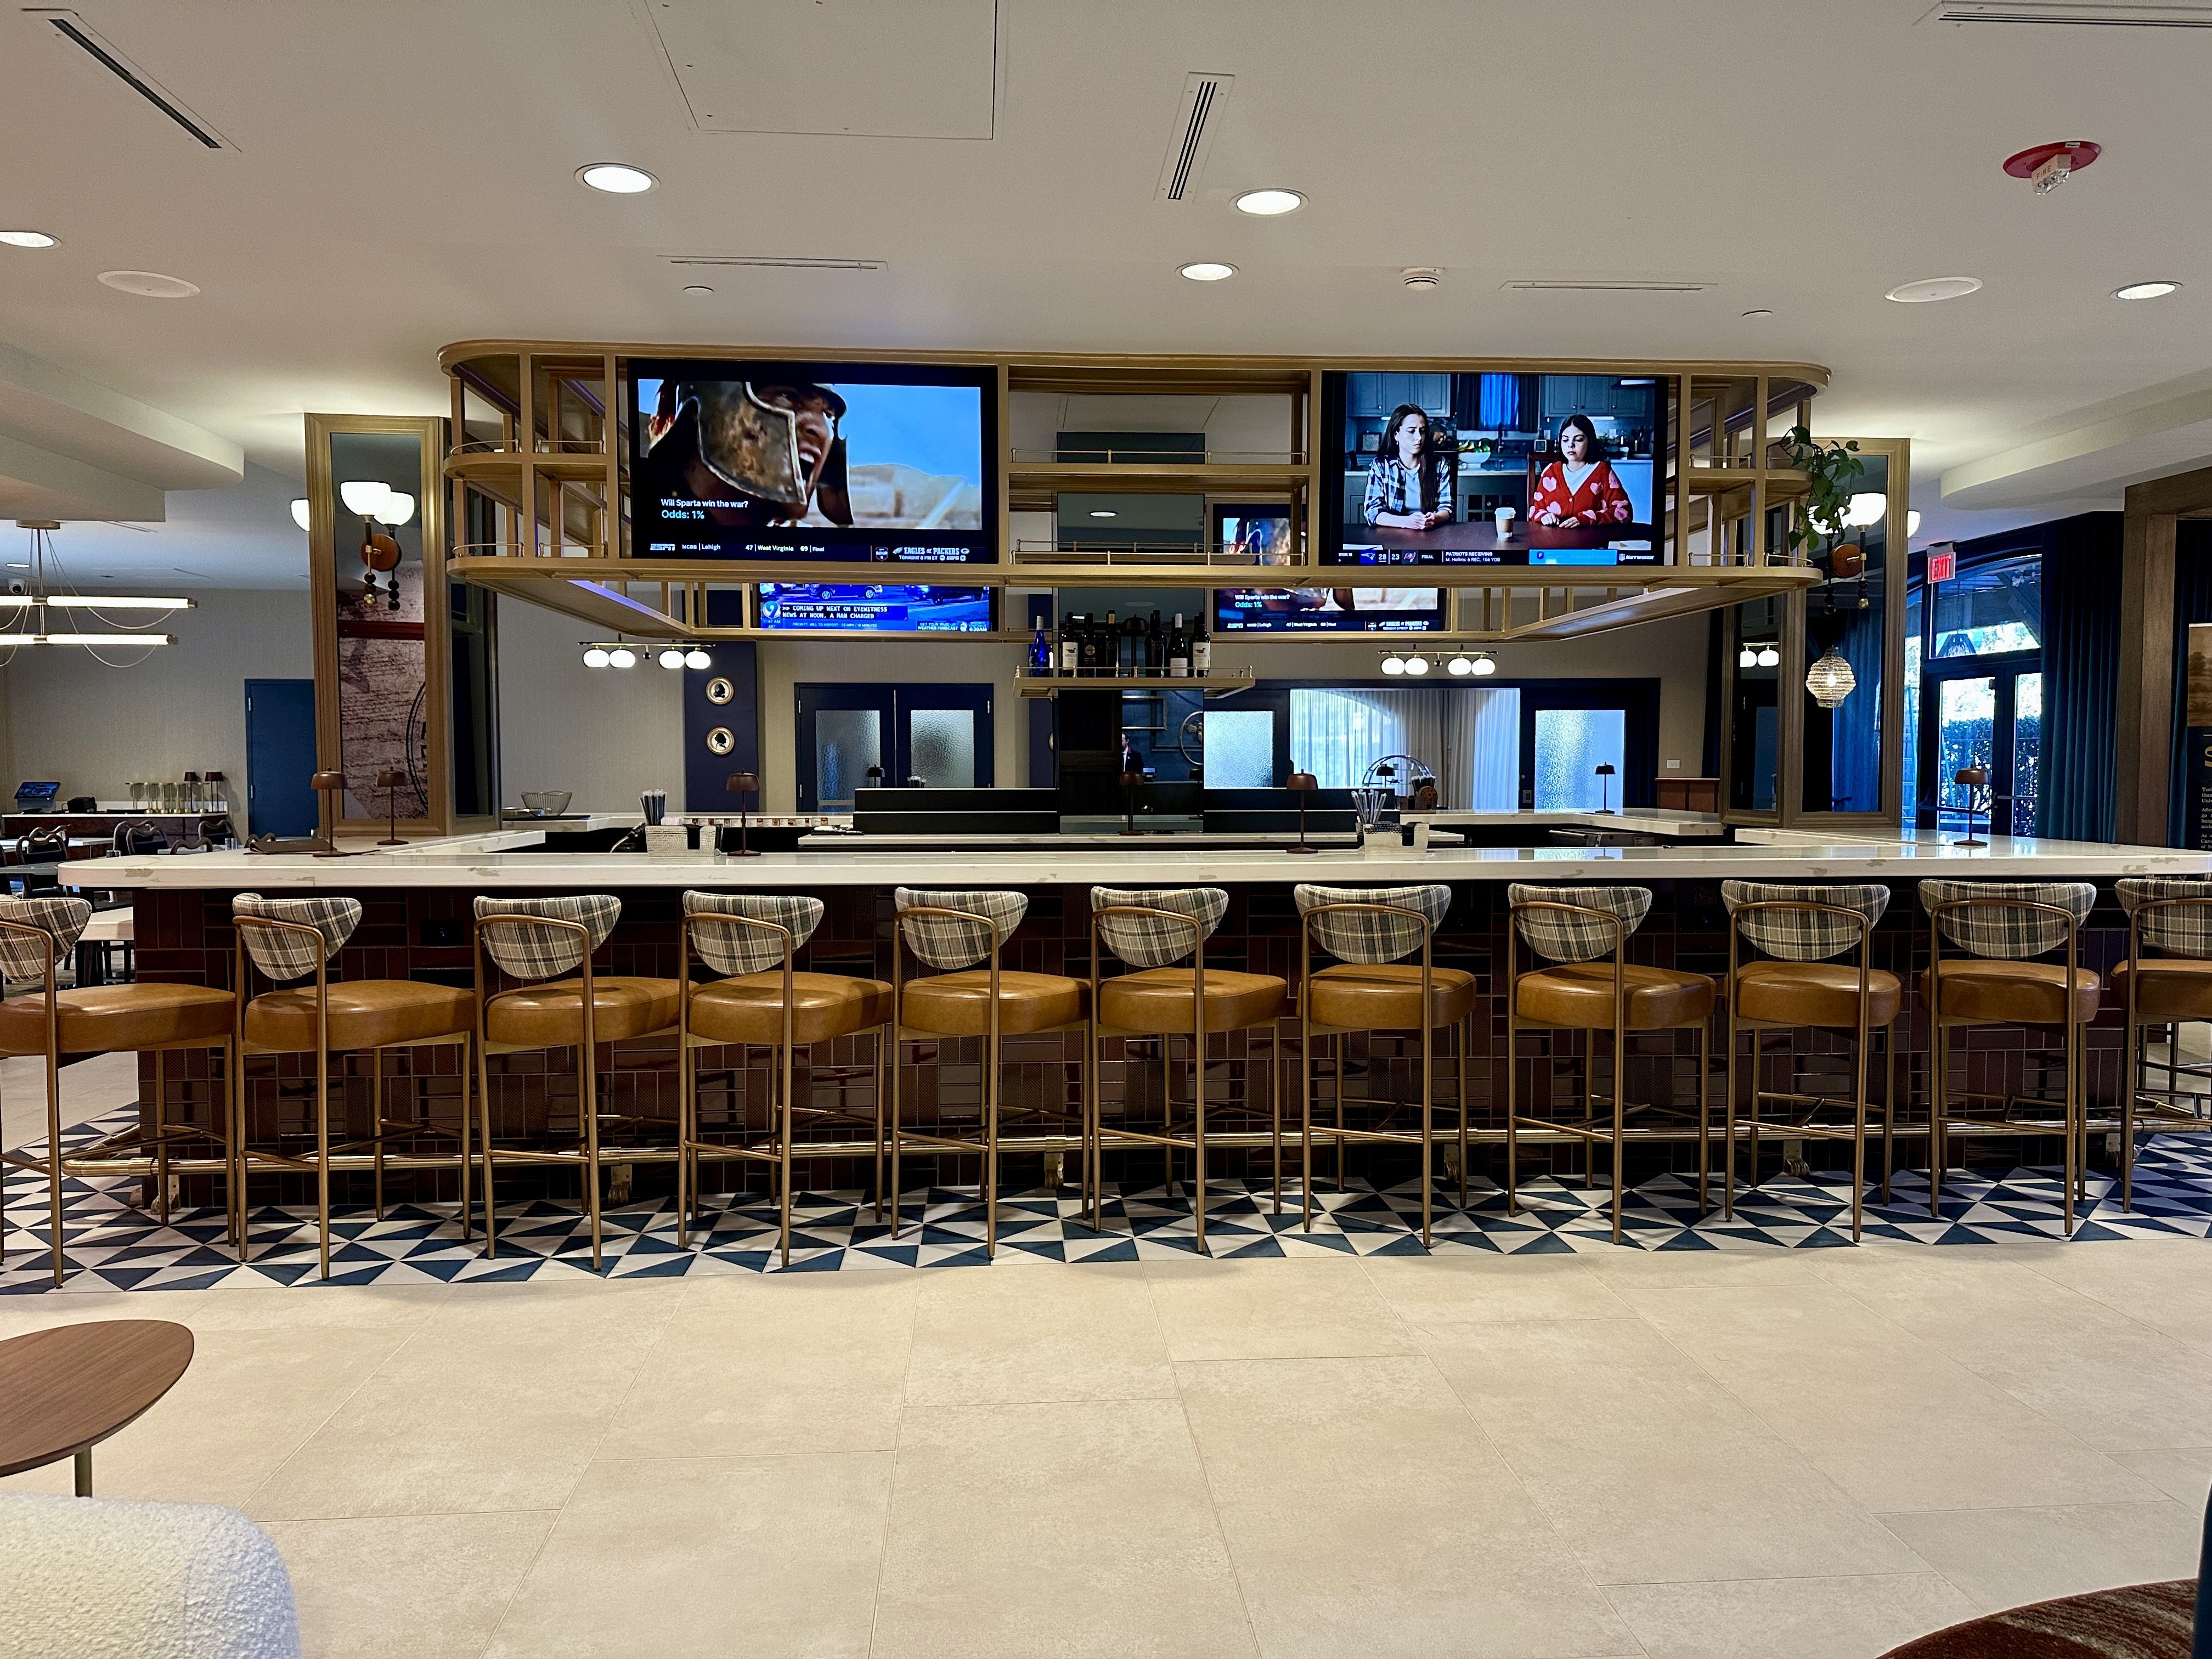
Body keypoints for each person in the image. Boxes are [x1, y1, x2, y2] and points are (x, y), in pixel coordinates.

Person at [1530, 414, 1634, 531]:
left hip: (1591, 544)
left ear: (1590, 442)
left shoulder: (1602, 471)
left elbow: (1624, 512)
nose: (1570, 445)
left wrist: (1588, 519)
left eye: (1578, 440)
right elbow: (1535, 512)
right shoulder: (1551, 472)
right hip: (1554, 545)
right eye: (1565, 440)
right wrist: (1544, 516)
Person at [1362, 404, 1455, 530]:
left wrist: (1435, 518)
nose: (1418, 438)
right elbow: (1372, 511)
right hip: (1393, 535)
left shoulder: (1439, 464)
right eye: (1411, 431)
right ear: (1396, 435)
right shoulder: (1381, 466)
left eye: (1422, 431)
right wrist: (1406, 522)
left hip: (1430, 534)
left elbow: (1446, 507)